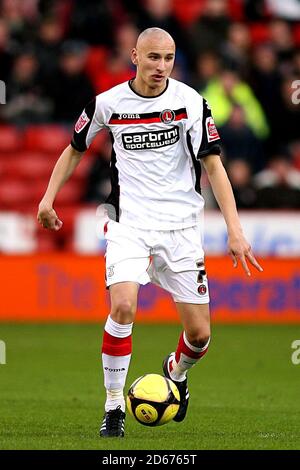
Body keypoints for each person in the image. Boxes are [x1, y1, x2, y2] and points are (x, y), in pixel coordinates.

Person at [37, 28, 263, 438]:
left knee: (199, 335)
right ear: (134, 56)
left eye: (169, 58)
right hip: (129, 224)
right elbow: (74, 147)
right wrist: (48, 198)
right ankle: (113, 407)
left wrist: (235, 229)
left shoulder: (190, 102)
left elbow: (214, 166)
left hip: (181, 228)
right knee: (123, 307)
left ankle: (175, 372)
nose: (162, 66)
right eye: (154, 57)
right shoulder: (107, 104)